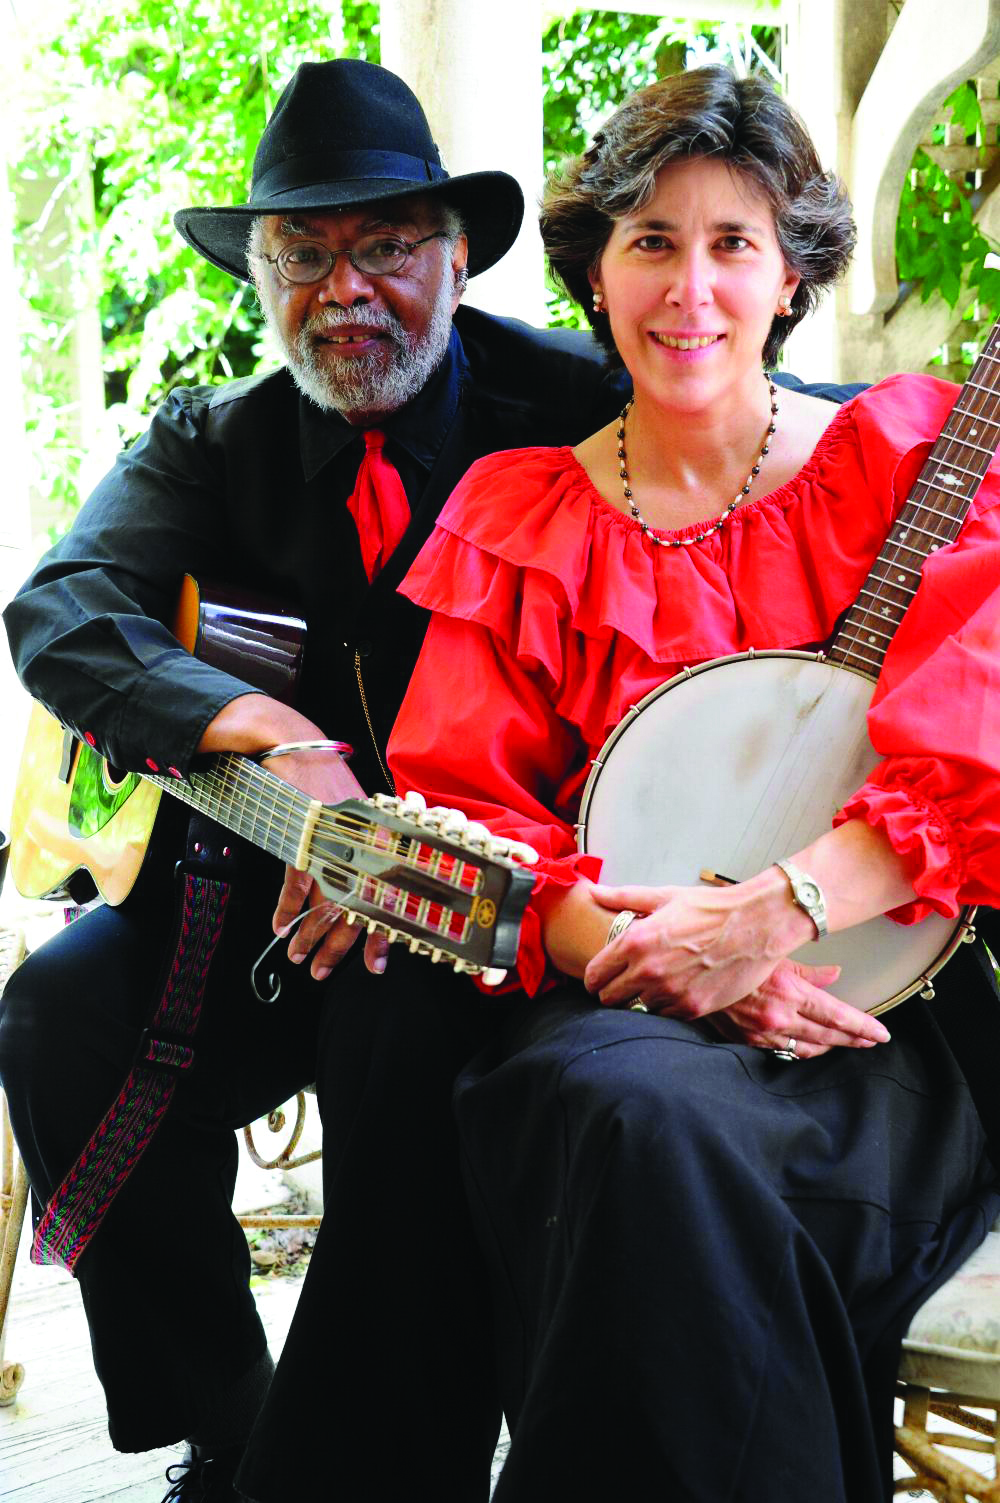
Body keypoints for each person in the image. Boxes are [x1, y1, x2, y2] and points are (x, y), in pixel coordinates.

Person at [387, 66, 1000, 1502]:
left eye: (735, 243)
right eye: (651, 241)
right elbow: (463, 813)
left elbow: (986, 738)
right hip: (603, 1014)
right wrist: (660, 957)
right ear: (595, 273)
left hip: (872, 1029)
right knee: (635, 1120)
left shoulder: (908, 464)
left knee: (650, 1166)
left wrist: (776, 914)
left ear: (792, 277)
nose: (691, 290)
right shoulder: (516, 512)